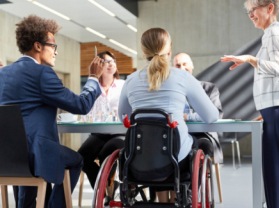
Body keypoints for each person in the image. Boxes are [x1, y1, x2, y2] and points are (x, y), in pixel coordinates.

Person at [0, 15, 104, 208]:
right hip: (36, 155)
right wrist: (92, 78)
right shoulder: (42, 73)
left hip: (7, 157)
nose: (56, 52)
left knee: (31, 158)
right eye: (53, 46)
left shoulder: (2, 73)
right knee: (77, 160)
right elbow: (81, 105)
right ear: (38, 46)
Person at [118, 28, 219, 203]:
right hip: (176, 159)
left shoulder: (130, 80)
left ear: (143, 52)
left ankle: (164, 200)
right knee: (197, 144)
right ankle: (178, 198)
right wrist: (188, 117)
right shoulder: (183, 77)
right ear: (169, 51)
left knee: (155, 147)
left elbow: (123, 117)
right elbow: (211, 116)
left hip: (139, 159)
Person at [221, 0, 279, 208]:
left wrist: (249, 59)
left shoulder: (275, 31)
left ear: (269, 8)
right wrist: (265, 110)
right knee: (272, 166)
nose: (251, 15)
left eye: (253, 9)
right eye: (249, 12)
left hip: (278, 107)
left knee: (277, 166)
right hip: (274, 108)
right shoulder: (272, 33)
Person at [78, 50, 125, 202]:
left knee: (107, 154)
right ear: (99, 66)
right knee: (81, 157)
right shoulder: (92, 87)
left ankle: (108, 191)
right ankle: (103, 193)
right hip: (98, 133)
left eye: (113, 61)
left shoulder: (123, 86)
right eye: (106, 61)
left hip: (119, 133)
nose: (111, 64)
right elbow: (86, 112)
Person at [173, 52, 224, 163]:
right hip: (178, 136)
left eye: (185, 64)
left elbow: (217, 114)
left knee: (203, 146)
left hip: (203, 135)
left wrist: (188, 117)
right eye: (177, 65)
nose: (182, 68)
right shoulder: (171, 92)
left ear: (192, 65)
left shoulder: (209, 88)